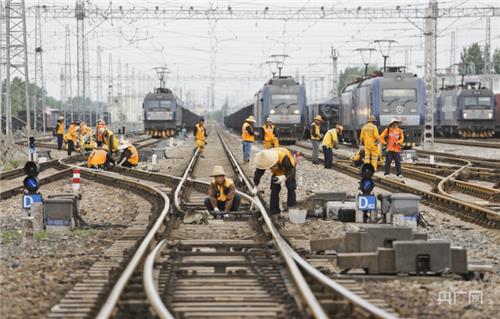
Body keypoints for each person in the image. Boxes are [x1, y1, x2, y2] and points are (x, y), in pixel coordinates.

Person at [253, 147, 297, 215]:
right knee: (274, 189)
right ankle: (274, 210)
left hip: (289, 168)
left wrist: (283, 177)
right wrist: (255, 185)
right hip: (277, 170)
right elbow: (258, 173)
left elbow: (290, 169)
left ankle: (292, 207)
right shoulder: (264, 159)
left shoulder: (284, 157)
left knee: (290, 186)